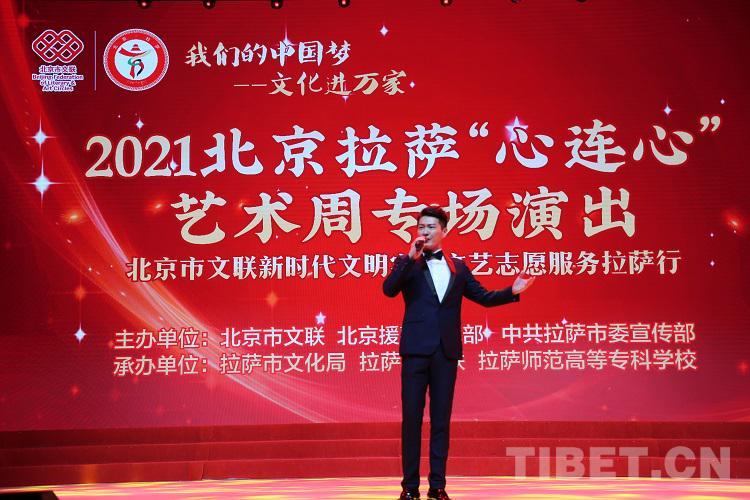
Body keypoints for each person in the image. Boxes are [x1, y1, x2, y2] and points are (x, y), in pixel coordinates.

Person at [383, 206, 535, 500]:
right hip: (415, 352)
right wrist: (409, 257)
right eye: (421, 227)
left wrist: (512, 291)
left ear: (444, 231)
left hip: (446, 352)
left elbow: (484, 297)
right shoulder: (407, 263)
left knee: (441, 421)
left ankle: (437, 486)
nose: (425, 232)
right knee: (411, 420)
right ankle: (409, 488)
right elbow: (388, 289)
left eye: (431, 227)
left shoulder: (458, 267)